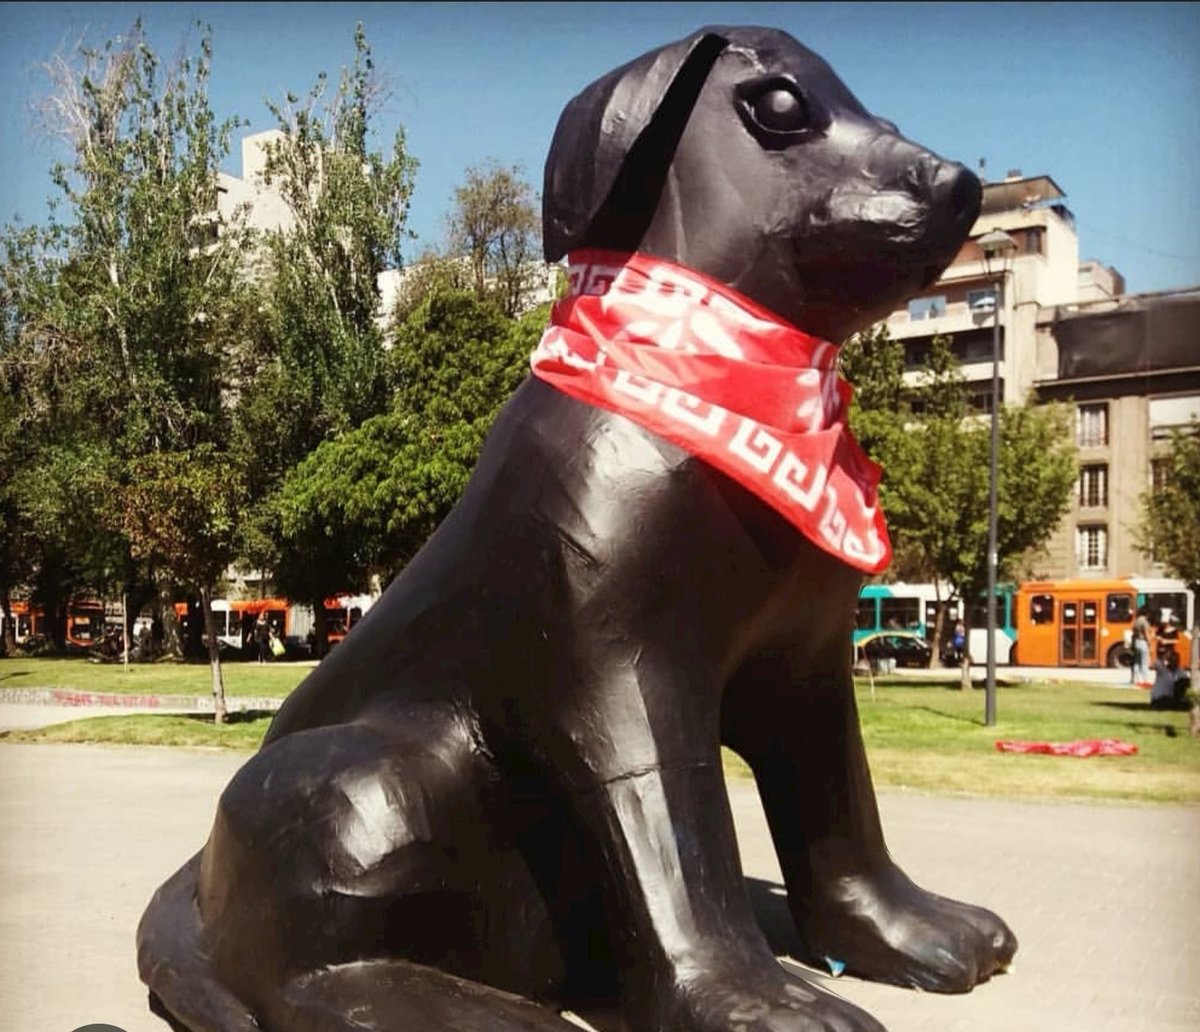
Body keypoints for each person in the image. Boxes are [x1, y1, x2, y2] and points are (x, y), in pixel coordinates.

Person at [1131, 609, 1152, 689]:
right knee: (1144, 662)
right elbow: (1146, 633)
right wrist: (1149, 643)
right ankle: (1145, 680)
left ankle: (1136, 679)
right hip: (1143, 642)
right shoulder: (1144, 622)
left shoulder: (1136, 622)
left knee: (1137, 662)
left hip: (1136, 642)